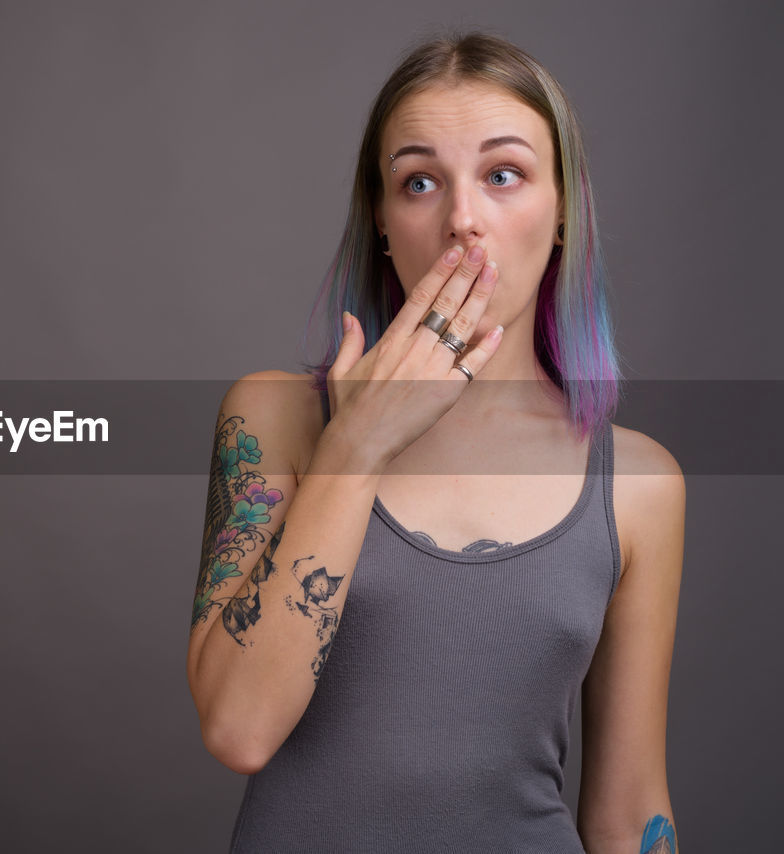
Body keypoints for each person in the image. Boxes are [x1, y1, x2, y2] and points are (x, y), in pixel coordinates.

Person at [185, 31, 683, 853]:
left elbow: (630, 814)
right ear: (382, 222)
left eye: (503, 175)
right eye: (419, 182)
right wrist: (357, 445)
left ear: (563, 211)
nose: (461, 219)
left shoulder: (638, 483)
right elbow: (239, 728)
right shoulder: (273, 418)